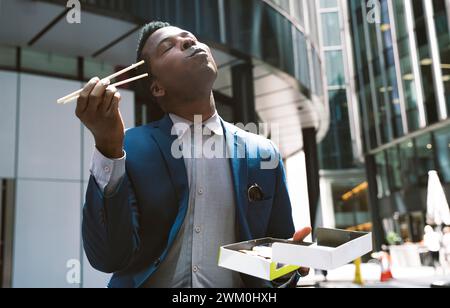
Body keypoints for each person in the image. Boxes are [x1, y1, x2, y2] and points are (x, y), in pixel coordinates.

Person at [77, 21, 311, 288]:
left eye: (190, 38)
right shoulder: (127, 145)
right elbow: (108, 258)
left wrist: (292, 264)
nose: (188, 42)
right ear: (157, 87)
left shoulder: (263, 152)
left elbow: (277, 268)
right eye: (168, 47)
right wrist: (108, 149)